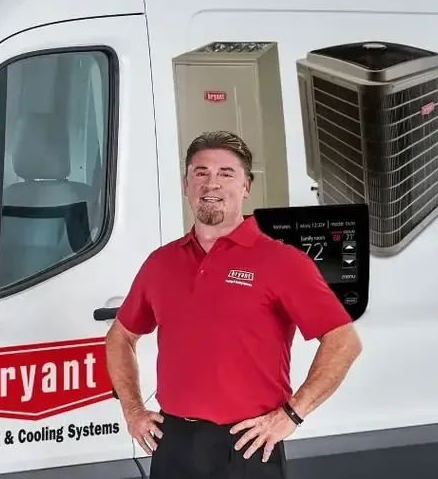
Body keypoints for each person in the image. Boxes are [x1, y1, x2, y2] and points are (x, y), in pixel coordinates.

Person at [104, 130, 363, 479]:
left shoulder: (281, 262)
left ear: (246, 186)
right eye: (201, 173)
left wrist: (292, 414)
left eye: (226, 173)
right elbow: (120, 336)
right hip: (174, 443)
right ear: (186, 183)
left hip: (247, 446)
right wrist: (134, 411)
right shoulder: (161, 263)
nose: (211, 184)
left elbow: (343, 341)